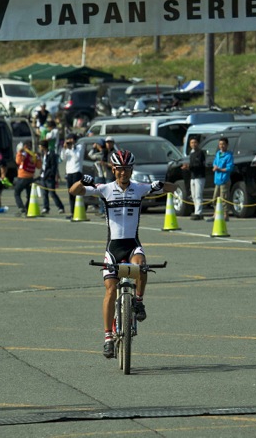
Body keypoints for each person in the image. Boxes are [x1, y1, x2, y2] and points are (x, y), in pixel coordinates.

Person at [69, 149, 176, 358]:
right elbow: (74, 191)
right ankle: (108, 337)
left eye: (127, 169)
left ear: (131, 169)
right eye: (119, 169)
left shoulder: (139, 189)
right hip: (113, 248)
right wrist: (82, 180)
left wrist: (162, 185)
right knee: (110, 291)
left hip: (132, 244)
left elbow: (174, 188)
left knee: (142, 265)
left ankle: (138, 300)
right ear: (113, 169)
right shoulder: (105, 189)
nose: (123, 173)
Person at [182, 137, 206, 220]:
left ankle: (198, 213)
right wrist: (187, 167)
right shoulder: (191, 153)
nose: (193, 144)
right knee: (193, 195)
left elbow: (199, 164)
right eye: (192, 143)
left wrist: (189, 166)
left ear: (198, 143)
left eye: (195, 142)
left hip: (199, 176)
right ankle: (196, 211)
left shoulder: (200, 153)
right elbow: (192, 165)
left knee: (198, 195)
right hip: (193, 177)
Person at [14, 140, 40, 216]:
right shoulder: (34, 155)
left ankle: (21, 208)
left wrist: (19, 153)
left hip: (22, 176)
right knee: (29, 194)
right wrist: (38, 158)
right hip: (31, 177)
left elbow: (18, 162)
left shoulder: (24, 153)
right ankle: (27, 208)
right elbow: (39, 166)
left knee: (17, 193)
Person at [38, 140, 65, 214]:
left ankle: (60, 207)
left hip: (49, 177)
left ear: (43, 147)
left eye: (40, 146)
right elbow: (43, 165)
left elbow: (53, 167)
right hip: (43, 176)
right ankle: (46, 208)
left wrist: (51, 175)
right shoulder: (42, 154)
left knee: (52, 193)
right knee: (44, 193)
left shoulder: (51, 154)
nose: (39, 148)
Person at [88, 137, 113, 217]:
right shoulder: (103, 152)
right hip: (100, 175)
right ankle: (102, 210)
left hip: (100, 176)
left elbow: (90, 155)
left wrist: (93, 147)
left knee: (102, 194)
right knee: (101, 194)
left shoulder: (102, 153)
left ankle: (103, 210)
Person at [61, 133, 84, 219]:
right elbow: (63, 158)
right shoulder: (67, 149)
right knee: (70, 193)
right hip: (69, 173)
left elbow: (77, 158)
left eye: (70, 139)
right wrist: (64, 149)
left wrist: (71, 149)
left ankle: (79, 211)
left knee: (77, 192)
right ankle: (72, 212)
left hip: (76, 172)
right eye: (68, 140)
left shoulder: (79, 147)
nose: (69, 141)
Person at [211, 137, 233, 222]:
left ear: (227, 145)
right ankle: (215, 213)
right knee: (215, 198)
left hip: (224, 179)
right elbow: (215, 163)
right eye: (220, 144)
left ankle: (225, 215)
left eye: (223, 144)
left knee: (224, 198)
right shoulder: (218, 154)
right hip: (217, 179)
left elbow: (229, 168)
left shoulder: (229, 155)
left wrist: (219, 169)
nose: (222, 146)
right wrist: (214, 168)